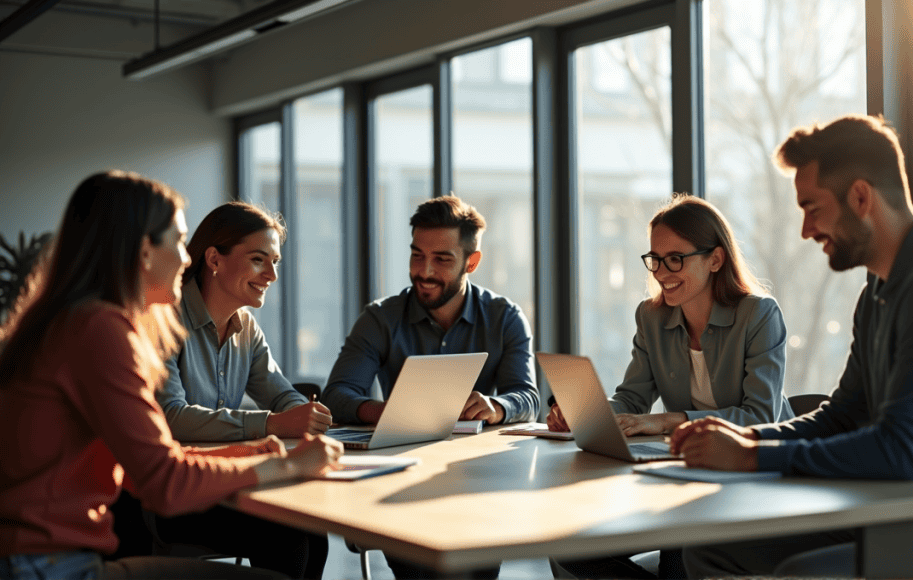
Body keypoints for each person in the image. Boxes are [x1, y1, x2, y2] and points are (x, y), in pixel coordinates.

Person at [671, 114, 913, 578]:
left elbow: (901, 452)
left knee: (805, 574)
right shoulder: (877, 295)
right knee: (710, 550)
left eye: (812, 208)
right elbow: (841, 416)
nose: (805, 229)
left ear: (860, 197)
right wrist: (745, 437)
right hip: (910, 516)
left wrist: (751, 456)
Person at [0, 170, 344, 580]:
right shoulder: (101, 329)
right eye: (180, 241)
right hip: (49, 566)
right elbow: (164, 481)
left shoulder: (72, 319)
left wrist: (255, 452)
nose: (186, 258)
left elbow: (145, 462)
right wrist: (288, 466)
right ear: (144, 251)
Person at [548, 193, 793, 579]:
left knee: (681, 560)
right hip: (684, 473)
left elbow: (761, 416)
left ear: (716, 259)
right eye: (655, 259)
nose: (662, 271)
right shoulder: (651, 317)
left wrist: (669, 422)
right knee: (571, 548)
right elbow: (632, 398)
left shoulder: (758, 314)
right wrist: (586, 414)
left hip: (750, 476)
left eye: (676, 258)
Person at [322, 194, 539, 579]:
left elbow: (528, 398)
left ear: (471, 262)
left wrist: (496, 406)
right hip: (400, 484)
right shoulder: (380, 318)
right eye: (417, 255)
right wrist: (389, 412)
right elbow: (337, 395)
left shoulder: (504, 318)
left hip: (478, 482)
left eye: (442, 259)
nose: (424, 271)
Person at [150, 202, 332, 578]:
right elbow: (172, 418)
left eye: (275, 262)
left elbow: (283, 395)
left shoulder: (245, 328)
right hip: (174, 499)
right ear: (214, 259)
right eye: (258, 260)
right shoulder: (164, 322)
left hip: (228, 486)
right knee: (289, 533)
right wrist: (271, 424)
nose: (272, 274)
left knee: (313, 531)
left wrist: (304, 415)